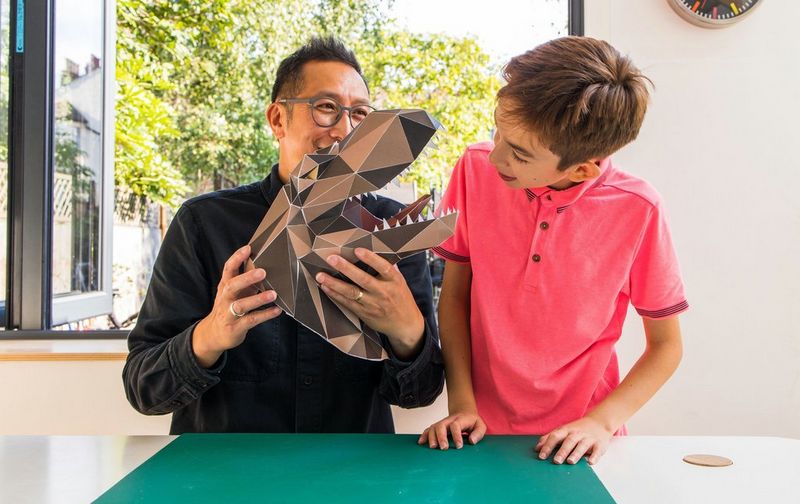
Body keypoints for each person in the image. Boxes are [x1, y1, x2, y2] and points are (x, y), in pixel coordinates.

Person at [123, 36, 444, 434]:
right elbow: (144, 390)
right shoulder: (204, 224)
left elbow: (420, 393)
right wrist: (212, 333)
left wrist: (406, 330)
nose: (345, 129)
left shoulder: (392, 229)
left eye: (360, 114)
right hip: (227, 482)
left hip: (348, 480)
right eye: (326, 108)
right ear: (278, 119)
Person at [419, 36, 687, 465]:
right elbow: (454, 297)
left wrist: (600, 423)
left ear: (582, 168)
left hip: (579, 443)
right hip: (480, 434)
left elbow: (666, 346)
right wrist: (462, 405)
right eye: (497, 133)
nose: (496, 157)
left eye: (519, 154)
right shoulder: (473, 168)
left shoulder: (639, 210)